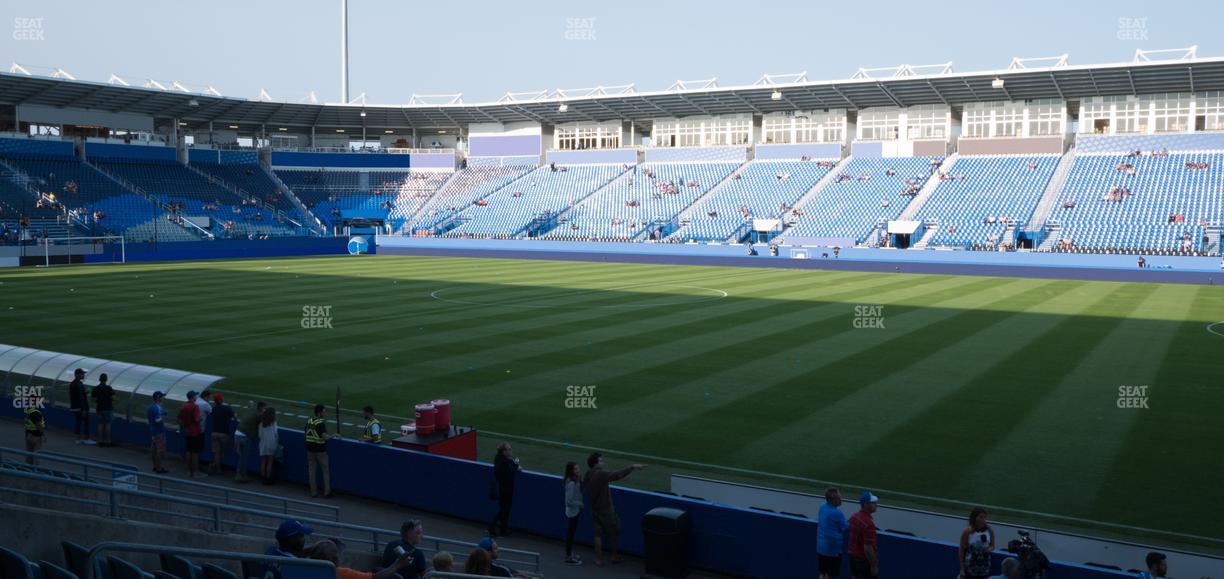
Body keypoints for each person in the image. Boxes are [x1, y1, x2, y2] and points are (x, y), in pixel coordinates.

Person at [582, 452, 645, 567]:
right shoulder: (600, 474)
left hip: (594, 509)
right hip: (606, 509)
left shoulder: (588, 474)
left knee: (597, 535)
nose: (603, 462)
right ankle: (614, 556)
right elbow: (618, 475)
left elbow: (584, 488)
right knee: (614, 533)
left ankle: (599, 559)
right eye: (600, 461)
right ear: (595, 464)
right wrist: (632, 467)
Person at [309, 537, 416, 579]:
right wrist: (398, 564)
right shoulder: (341, 573)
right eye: (336, 553)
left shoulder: (304, 568)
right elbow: (375, 578)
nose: (339, 556)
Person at [488, 442, 521, 537]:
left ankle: (502, 529)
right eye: (509, 449)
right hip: (506, 489)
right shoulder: (506, 461)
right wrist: (516, 464)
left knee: (504, 509)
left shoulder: (499, 459)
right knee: (504, 510)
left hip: (502, 489)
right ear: (504, 451)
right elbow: (514, 469)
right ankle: (494, 527)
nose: (511, 451)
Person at [305, 404, 338, 497]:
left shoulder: (309, 421)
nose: (325, 413)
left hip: (309, 449)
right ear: (319, 413)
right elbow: (325, 437)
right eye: (324, 411)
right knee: (325, 471)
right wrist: (333, 435)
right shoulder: (320, 423)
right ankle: (327, 492)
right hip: (320, 450)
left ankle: (313, 492)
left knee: (311, 471)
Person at [817, 487, 849, 579]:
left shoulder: (822, 506)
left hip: (821, 548)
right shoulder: (837, 513)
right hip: (832, 550)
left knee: (823, 573)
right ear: (832, 500)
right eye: (839, 498)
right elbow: (846, 527)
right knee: (830, 575)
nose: (841, 499)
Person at [848, 491, 879, 579]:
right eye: (873, 503)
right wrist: (874, 566)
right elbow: (868, 548)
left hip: (852, 557)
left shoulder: (854, 517)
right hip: (863, 560)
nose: (876, 505)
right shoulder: (869, 524)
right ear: (866, 504)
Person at [959, 507, 995, 579]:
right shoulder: (967, 531)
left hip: (984, 566)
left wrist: (988, 549)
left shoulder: (989, 530)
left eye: (984, 517)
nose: (983, 520)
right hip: (970, 566)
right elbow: (961, 550)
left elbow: (992, 546)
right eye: (980, 517)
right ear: (974, 517)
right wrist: (962, 569)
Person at [178, 391, 205, 477]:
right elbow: (197, 420)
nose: (196, 397)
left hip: (187, 431)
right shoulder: (195, 406)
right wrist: (200, 419)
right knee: (195, 452)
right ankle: (196, 471)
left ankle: (189, 470)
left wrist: (184, 426)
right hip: (195, 432)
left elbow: (179, 418)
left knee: (188, 451)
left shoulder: (184, 406)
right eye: (195, 396)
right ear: (193, 397)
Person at [562, 461, 583, 565]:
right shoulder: (571, 483)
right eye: (575, 469)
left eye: (578, 468)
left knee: (571, 533)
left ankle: (569, 553)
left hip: (574, 511)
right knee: (571, 534)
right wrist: (579, 504)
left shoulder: (574, 480)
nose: (578, 470)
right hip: (573, 512)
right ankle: (568, 556)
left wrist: (579, 479)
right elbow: (569, 501)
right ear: (571, 471)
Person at [209, 393, 235, 475]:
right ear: (221, 400)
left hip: (214, 433)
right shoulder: (227, 408)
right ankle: (214, 466)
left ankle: (217, 468)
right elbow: (235, 416)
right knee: (222, 453)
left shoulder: (214, 409)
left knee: (217, 452)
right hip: (224, 434)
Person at [69, 368, 95, 445]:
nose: (83, 375)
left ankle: (77, 439)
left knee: (78, 423)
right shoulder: (79, 384)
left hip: (75, 407)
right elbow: (80, 397)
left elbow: (75, 395)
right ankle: (86, 439)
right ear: (78, 375)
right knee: (86, 422)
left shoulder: (73, 383)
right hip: (81, 408)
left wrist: (84, 392)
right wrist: (84, 409)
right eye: (82, 374)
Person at [91, 373, 115, 447]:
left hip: (99, 408)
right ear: (106, 379)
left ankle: (100, 441)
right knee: (108, 425)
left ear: (99, 379)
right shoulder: (109, 388)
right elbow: (113, 398)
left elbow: (94, 399)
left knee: (100, 425)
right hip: (108, 408)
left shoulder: (96, 388)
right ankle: (108, 442)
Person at [148, 391, 169, 473]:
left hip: (153, 431)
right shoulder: (157, 408)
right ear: (158, 398)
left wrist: (162, 414)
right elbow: (158, 420)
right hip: (159, 431)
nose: (163, 398)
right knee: (160, 451)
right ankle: (159, 468)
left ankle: (155, 466)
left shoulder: (151, 407)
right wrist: (164, 416)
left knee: (154, 449)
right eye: (162, 397)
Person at [23, 395, 47, 464]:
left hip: (28, 434)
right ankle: (35, 470)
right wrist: (44, 434)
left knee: (29, 453)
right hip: (36, 436)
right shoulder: (35, 412)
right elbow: (38, 425)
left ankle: (28, 468)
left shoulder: (27, 409)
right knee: (37, 454)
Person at [259, 406, 279, 485]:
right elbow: (276, 433)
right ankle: (268, 478)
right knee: (270, 462)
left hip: (263, 444)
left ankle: (263, 478)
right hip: (271, 443)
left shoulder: (261, 423)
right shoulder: (273, 423)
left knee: (263, 462)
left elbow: (259, 434)